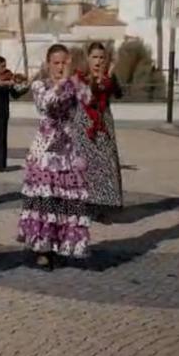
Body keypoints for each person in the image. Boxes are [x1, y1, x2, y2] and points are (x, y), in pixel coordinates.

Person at [17, 44, 92, 270]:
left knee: (65, 199)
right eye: (56, 63)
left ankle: (63, 243)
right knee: (45, 200)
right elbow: (47, 103)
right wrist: (63, 83)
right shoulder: (39, 85)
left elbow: (88, 99)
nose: (60, 67)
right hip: (45, 151)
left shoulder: (73, 85)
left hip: (68, 151)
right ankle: (43, 248)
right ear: (48, 64)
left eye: (64, 63)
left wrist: (78, 81)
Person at [73, 42, 124, 222]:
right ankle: (83, 205)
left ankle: (101, 205)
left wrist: (110, 78)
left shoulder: (109, 76)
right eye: (95, 57)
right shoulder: (80, 77)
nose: (98, 61)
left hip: (103, 124)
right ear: (88, 58)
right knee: (86, 165)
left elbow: (119, 94)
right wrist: (98, 81)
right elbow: (88, 97)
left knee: (104, 163)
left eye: (102, 57)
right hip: (85, 125)